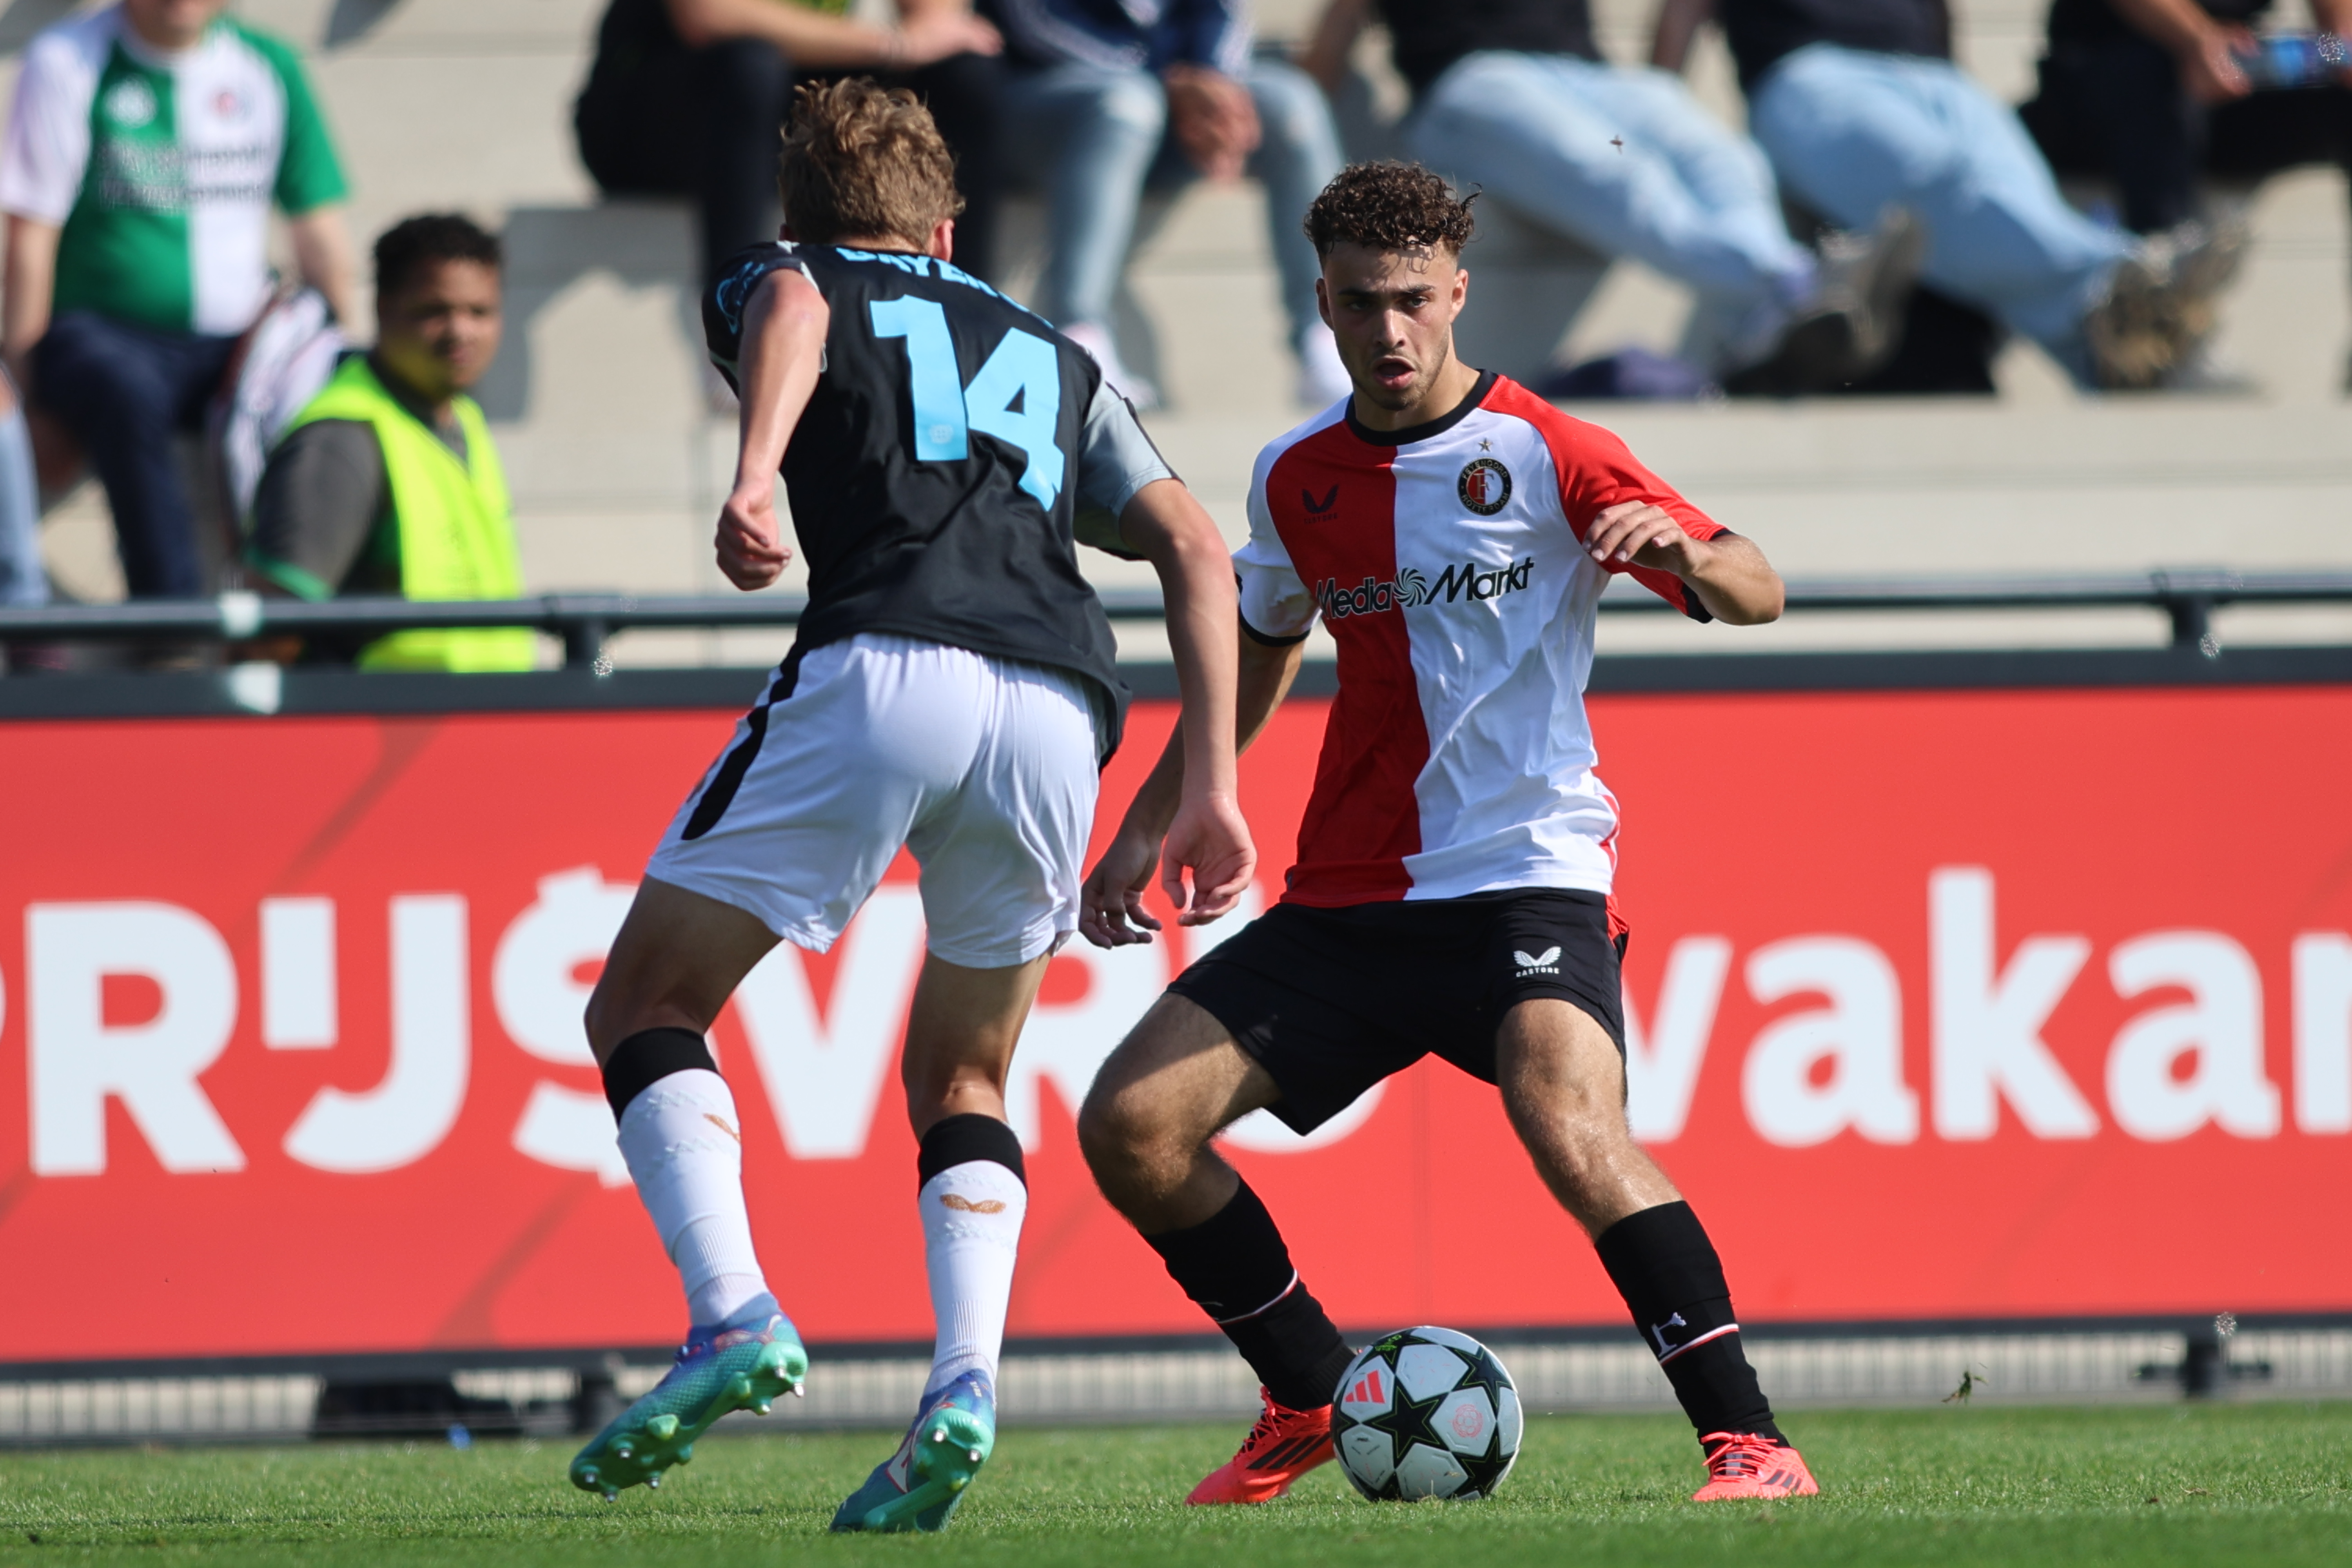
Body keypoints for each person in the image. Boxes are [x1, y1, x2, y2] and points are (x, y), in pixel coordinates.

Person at [566, 80, 1254, 1532]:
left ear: (797, 216)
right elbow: (1199, 546)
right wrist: (1209, 785)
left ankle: (733, 1314)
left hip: (887, 662)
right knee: (964, 1075)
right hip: (1061, 709)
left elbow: (803, 310)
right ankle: (962, 1384)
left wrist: (756, 476)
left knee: (642, 1002)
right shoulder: (1051, 352)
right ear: (950, 225)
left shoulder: (792, 275)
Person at [1074, 162, 1816, 1507]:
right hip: (1351, 900)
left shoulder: (1550, 451)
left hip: (1528, 877)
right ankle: (1305, 1396)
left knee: (1568, 1119)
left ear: (1459, 294)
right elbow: (1263, 642)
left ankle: (1751, 1442)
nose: (1392, 330)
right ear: (1327, 303)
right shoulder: (1296, 478)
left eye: (1416, 299)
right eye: (1364, 303)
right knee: (1130, 1125)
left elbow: (1759, 586)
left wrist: (1694, 558)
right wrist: (1158, 818)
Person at [1301, 0, 1924, 390]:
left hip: (1587, 75)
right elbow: (1335, 35)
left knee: (1720, 153)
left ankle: (1774, 302)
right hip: (1468, 82)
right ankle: (1791, 287)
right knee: (1611, 172)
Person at [1653, 0, 2241, 388]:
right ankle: (2122, 284)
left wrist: (2337, 46)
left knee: (2007, 191)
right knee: (1944, 179)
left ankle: (2120, 353)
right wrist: (1648, 127)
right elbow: (1682, 13)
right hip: (1807, 75)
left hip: (1935, 77)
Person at [0, 0, 352, 601]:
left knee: (334, 400)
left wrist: (349, 354)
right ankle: (171, 622)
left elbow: (318, 229)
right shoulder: (68, 61)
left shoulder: (269, 66)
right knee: (125, 392)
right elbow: (30, 237)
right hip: (103, 336)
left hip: (238, 345)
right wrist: (28, 396)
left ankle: (314, 625)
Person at [980, 0, 1351, 407]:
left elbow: (1221, 13)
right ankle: (1077, 331)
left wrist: (1213, 83)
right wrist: (1170, 82)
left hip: (1170, 98)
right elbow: (1038, 23)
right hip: (1047, 99)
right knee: (1127, 105)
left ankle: (1325, 335)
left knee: (1294, 101)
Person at [246, 214, 534, 671]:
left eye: (480, 311)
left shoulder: (463, 419)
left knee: (602, 669)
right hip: (378, 731)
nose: (461, 331)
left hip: (485, 727)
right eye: (433, 311)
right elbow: (265, 641)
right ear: (382, 308)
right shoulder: (342, 440)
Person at [574, 0, 1007, 287]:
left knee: (964, 75)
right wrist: (893, 43)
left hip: (780, 96)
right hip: (646, 113)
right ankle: (735, 312)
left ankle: (963, 309)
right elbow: (707, 15)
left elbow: (938, 22)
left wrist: (913, 41)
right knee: (751, 67)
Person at [2020, 0, 2352, 244]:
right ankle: (2162, 288)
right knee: (2155, 78)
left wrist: (2339, 50)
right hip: (2102, 81)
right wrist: (2198, 40)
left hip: (2230, 81)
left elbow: (2339, 35)